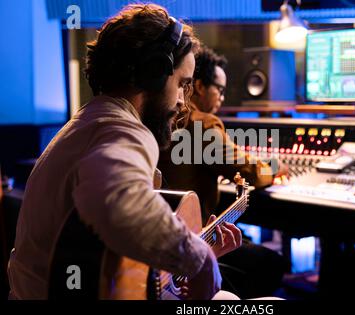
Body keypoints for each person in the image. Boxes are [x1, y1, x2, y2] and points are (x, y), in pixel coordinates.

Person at [7, 4, 242, 300]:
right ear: (155, 73)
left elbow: (107, 248)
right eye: (181, 84)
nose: (183, 102)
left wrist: (178, 263)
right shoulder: (123, 129)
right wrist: (201, 259)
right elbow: (119, 201)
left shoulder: (87, 124)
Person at [158, 46, 289, 298]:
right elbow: (249, 172)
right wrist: (276, 166)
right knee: (271, 263)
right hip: (192, 243)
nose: (222, 98)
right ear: (197, 86)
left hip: (164, 244)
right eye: (219, 89)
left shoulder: (160, 119)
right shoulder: (203, 124)